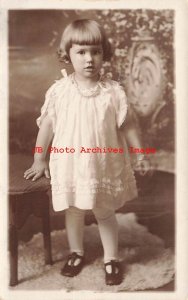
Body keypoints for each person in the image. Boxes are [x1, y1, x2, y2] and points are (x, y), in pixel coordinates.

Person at [24, 19, 150, 286]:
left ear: (104, 53)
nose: (89, 59)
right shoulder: (60, 92)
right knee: (74, 210)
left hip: (102, 164)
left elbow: (128, 127)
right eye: (81, 52)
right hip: (70, 164)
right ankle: (76, 252)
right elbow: (47, 127)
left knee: (104, 211)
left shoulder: (112, 93)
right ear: (67, 55)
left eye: (95, 51)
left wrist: (140, 154)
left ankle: (111, 258)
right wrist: (39, 157)